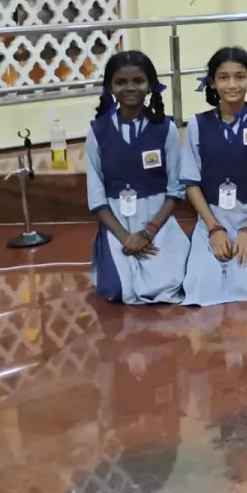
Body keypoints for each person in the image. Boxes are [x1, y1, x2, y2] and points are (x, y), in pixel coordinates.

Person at [87, 51, 189, 304]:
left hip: (157, 221)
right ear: (110, 87)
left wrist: (146, 233)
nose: (130, 88)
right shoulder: (97, 131)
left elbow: (176, 190)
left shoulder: (166, 129)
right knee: (118, 290)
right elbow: (96, 195)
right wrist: (125, 237)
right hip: (117, 221)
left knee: (165, 286)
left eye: (138, 81)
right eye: (121, 82)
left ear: (150, 85)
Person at [179, 47, 247, 306]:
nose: (232, 84)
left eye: (240, 77)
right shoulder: (197, 125)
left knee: (245, 283)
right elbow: (191, 183)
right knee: (200, 285)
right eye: (223, 77)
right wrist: (214, 228)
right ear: (212, 82)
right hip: (213, 217)